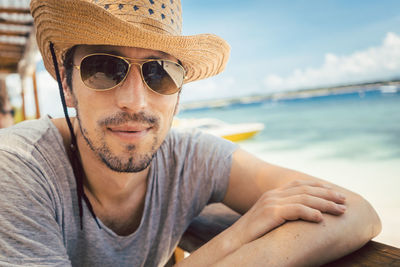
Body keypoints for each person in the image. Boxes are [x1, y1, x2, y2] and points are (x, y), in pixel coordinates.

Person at [0, 0, 381, 266]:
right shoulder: (19, 169)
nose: (135, 102)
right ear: (67, 85)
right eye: (103, 68)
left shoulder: (192, 158)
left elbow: (358, 212)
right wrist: (235, 237)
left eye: (159, 73)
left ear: (178, 93)